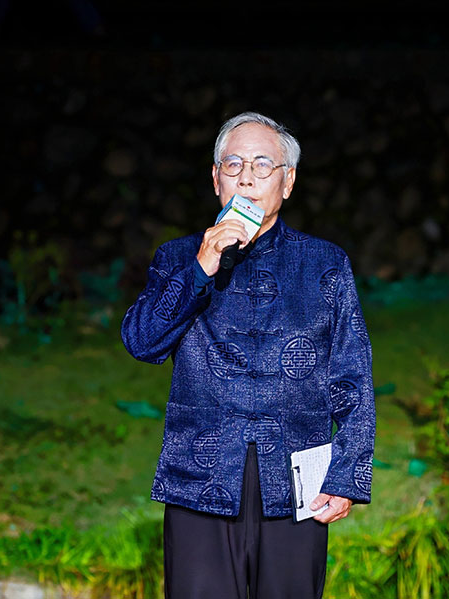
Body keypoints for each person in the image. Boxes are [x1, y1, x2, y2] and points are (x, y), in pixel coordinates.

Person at [120, 112, 376, 598]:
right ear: (216, 179)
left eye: (262, 165)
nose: (246, 177)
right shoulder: (178, 257)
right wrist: (201, 267)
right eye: (233, 164)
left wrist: (347, 474)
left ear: (288, 181)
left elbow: (353, 377)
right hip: (201, 474)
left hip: (297, 481)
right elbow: (141, 342)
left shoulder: (325, 263)